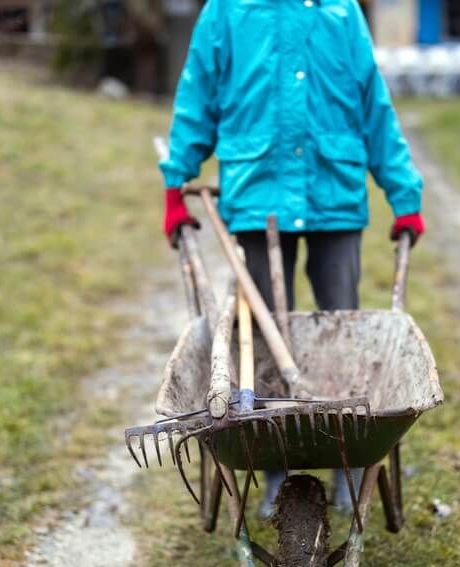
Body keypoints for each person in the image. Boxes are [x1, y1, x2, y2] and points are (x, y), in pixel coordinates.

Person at [159, 0, 425, 519]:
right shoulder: (228, 12)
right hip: (259, 195)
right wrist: (177, 181)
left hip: (335, 193)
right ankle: (274, 462)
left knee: (341, 328)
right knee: (258, 334)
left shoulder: (341, 12)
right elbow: (198, 95)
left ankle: (347, 458)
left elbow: (373, 106)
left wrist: (405, 195)